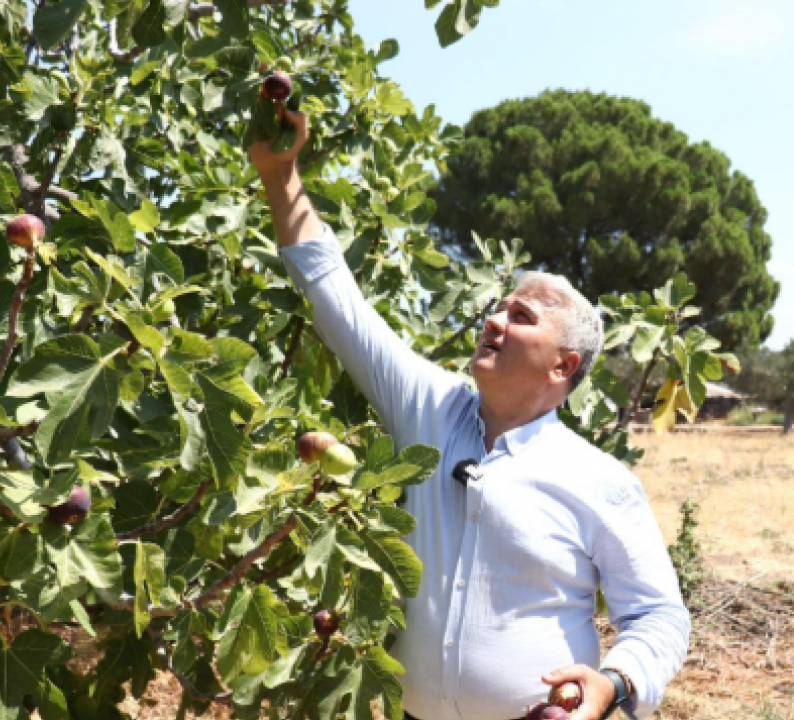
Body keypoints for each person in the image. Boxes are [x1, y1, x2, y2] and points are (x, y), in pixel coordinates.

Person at [249, 109, 688, 720]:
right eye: (498, 307)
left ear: (563, 366)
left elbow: (660, 615)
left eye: (521, 317)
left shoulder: (600, 480)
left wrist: (612, 683)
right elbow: (335, 296)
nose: (493, 321)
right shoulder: (430, 408)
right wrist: (280, 175)